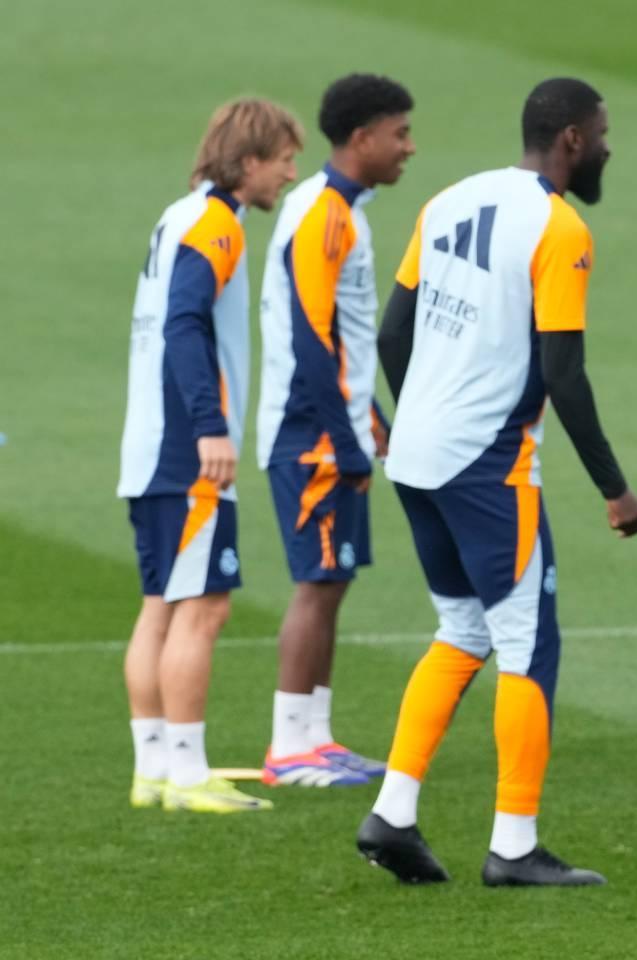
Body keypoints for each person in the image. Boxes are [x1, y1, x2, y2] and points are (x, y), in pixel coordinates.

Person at [354, 77, 637, 887]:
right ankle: (514, 846)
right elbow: (564, 372)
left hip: (415, 454)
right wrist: (614, 489)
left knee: (462, 630)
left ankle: (393, 813)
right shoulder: (561, 227)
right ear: (573, 141)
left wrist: (424, 415)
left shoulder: (448, 200)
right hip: (484, 465)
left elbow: (393, 333)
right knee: (528, 643)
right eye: (604, 132)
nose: (609, 146)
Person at [119, 98, 303, 813]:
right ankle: (189, 773)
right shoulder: (217, 226)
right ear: (249, 161)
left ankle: (153, 768)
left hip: (147, 442)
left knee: (160, 606)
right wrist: (210, 427)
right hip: (183, 447)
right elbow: (185, 322)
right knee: (204, 607)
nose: (290, 173)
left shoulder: (176, 215)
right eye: (284, 159)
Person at [256, 72, 415, 788]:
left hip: (332, 425)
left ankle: (316, 738)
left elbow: (341, 342)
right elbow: (311, 338)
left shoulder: (343, 213)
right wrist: (346, 437)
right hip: (309, 433)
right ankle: (289, 745)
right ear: (362, 138)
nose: (408, 147)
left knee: (334, 580)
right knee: (317, 584)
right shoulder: (322, 214)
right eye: (399, 133)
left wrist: (371, 417)